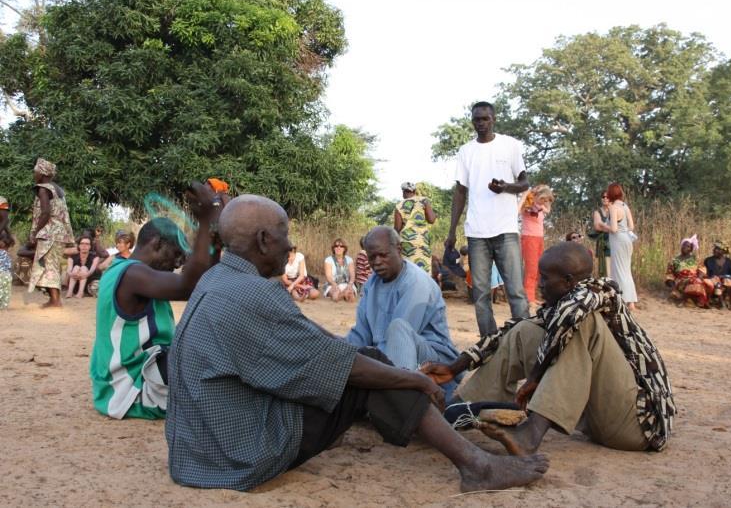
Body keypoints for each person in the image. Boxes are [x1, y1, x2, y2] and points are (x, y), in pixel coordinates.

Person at [165, 195, 549, 492]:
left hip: (197, 452)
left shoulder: (217, 281)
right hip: (236, 455)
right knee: (370, 373)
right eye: (285, 234)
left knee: (368, 364)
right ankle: (477, 467)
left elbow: (319, 343)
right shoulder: (256, 294)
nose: (290, 244)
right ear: (264, 240)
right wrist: (414, 381)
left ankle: (443, 434)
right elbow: (347, 358)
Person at [422, 242, 676, 455]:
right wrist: (455, 367)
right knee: (523, 331)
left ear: (568, 281)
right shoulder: (560, 303)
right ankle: (458, 412)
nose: (540, 283)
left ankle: (530, 435)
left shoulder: (596, 293)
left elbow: (572, 315)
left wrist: (534, 378)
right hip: (597, 421)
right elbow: (508, 333)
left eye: (545, 278)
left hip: (636, 426)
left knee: (582, 324)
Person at [89, 182, 220, 420]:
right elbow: (189, 286)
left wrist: (214, 242)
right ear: (157, 244)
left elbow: (201, 284)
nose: (178, 264)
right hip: (133, 391)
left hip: (137, 382)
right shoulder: (132, 275)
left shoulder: (132, 275)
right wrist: (205, 220)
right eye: (176, 255)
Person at [445, 101, 530, 337]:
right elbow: (460, 191)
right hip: (476, 232)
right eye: (476, 119)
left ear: (493, 119)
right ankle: (489, 344)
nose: (480, 123)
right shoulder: (466, 151)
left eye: (485, 119)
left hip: (505, 229)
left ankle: (523, 341)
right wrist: (452, 232)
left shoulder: (510, 146)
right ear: (472, 121)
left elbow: (524, 183)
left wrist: (505, 187)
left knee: (515, 290)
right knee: (480, 294)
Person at [347, 226, 461, 399]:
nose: (377, 262)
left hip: (431, 359)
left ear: (398, 249)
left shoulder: (416, 282)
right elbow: (360, 335)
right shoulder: (371, 284)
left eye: (383, 255)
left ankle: (402, 403)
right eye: (372, 257)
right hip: (387, 357)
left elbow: (397, 341)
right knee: (340, 349)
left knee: (398, 329)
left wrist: (366, 366)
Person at [28, 158, 76, 308]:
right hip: (59, 233)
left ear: (42, 173)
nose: (34, 174)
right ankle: (53, 299)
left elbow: (45, 212)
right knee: (51, 264)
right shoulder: (58, 189)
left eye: (35, 172)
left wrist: (35, 232)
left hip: (49, 233)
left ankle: (55, 300)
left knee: (49, 265)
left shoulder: (43, 188)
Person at [518, 185, 553, 311]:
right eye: (543, 199)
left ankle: (532, 296)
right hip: (529, 238)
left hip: (539, 238)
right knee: (531, 269)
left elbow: (548, 209)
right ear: (536, 196)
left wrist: (545, 197)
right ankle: (528, 298)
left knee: (538, 269)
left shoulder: (541, 207)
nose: (544, 202)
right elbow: (524, 209)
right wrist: (530, 194)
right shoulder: (528, 205)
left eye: (546, 200)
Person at [606, 183, 638, 310]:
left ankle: (622, 299)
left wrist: (603, 226)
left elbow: (613, 228)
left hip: (618, 239)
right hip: (627, 239)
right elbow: (631, 226)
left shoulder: (613, 207)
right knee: (626, 270)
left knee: (618, 269)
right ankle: (631, 302)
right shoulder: (625, 206)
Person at [394, 182, 437, 274]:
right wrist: (434, 215)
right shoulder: (424, 201)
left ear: (404, 192)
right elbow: (431, 220)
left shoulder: (399, 206)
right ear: (414, 191)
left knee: (408, 272)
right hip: (422, 242)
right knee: (423, 271)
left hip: (406, 243)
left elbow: (397, 229)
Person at [664, 235, 712, 309]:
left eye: (688, 246)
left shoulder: (696, 259)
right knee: (693, 282)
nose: (685, 248)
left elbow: (702, 270)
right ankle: (693, 300)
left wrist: (699, 278)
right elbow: (669, 274)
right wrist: (672, 284)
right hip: (681, 281)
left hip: (695, 279)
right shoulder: (674, 260)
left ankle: (696, 300)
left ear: (691, 249)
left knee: (707, 282)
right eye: (684, 245)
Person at [703, 241, 731, 310]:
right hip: (713, 282)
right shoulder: (708, 260)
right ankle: (722, 303)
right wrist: (717, 277)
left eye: (718, 249)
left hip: (725, 282)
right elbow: (707, 274)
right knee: (716, 279)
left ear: (723, 251)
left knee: (728, 279)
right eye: (715, 248)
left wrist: (724, 277)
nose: (715, 250)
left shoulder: (728, 261)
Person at [324, 238, 356, 302]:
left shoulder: (349, 260)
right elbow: (328, 277)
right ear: (333, 248)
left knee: (351, 298)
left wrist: (349, 285)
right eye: (336, 246)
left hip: (347, 283)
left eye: (341, 246)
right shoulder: (328, 260)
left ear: (344, 249)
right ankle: (343, 294)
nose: (338, 248)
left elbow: (352, 275)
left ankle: (344, 294)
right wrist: (335, 286)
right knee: (335, 297)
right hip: (332, 284)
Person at [590, 192, 612, 278]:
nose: (605, 198)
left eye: (607, 197)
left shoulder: (614, 210)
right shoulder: (597, 212)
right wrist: (611, 229)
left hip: (615, 241)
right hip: (603, 242)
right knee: (605, 267)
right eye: (603, 197)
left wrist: (603, 226)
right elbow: (597, 227)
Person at [0, 232, 13, 310]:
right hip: (7, 275)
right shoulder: (7, 254)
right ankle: (4, 306)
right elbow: (9, 266)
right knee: (6, 291)